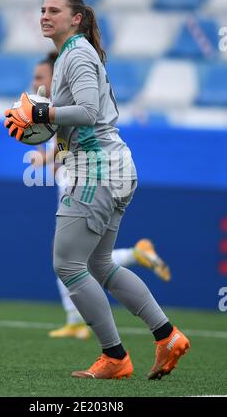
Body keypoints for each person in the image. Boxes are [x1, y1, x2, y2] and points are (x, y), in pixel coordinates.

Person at [4, 0, 190, 380]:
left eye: (53, 10)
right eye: (42, 10)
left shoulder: (76, 53)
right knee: (99, 265)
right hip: (113, 167)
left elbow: (87, 111)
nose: (44, 15)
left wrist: (43, 111)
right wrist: (46, 118)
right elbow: (79, 114)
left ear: (76, 18)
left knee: (67, 265)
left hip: (97, 170)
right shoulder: (73, 54)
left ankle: (115, 357)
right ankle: (166, 335)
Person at [32, 52, 171, 340]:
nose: (35, 83)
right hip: (92, 173)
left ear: (55, 75)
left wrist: (43, 148)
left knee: (68, 259)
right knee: (89, 259)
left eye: (39, 76)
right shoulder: (65, 96)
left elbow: (78, 133)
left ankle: (99, 336)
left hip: (83, 177)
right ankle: (156, 330)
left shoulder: (68, 93)